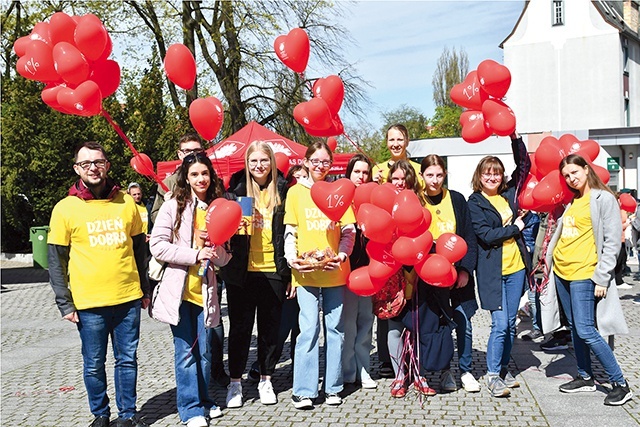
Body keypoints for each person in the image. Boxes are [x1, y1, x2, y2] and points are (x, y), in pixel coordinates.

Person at [47, 141, 150, 427]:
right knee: (94, 364)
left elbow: (140, 250)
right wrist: (64, 302)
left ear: (108, 165)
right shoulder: (65, 208)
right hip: (88, 303)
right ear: (77, 169)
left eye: (98, 162)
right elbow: (56, 261)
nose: (93, 167)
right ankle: (101, 415)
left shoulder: (127, 202)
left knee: (127, 360)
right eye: (86, 163)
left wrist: (145, 289)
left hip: (128, 298)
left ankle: (127, 416)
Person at [149, 152, 232, 427]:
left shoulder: (218, 207)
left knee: (205, 351)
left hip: (205, 291)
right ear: (186, 177)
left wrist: (215, 248)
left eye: (204, 173)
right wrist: (194, 254)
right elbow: (157, 245)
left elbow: (224, 258)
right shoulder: (173, 206)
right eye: (194, 174)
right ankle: (190, 409)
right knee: (185, 352)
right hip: (179, 291)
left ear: (211, 175)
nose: (200, 179)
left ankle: (205, 400)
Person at [547, 154, 632, 406]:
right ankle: (585, 376)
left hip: (585, 273)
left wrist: (603, 277)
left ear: (586, 169)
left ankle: (620, 383)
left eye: (574, 172)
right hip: (563, 272)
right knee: (574, 327)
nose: (571, 178)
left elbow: (612, 241)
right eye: (566, 176)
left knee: (586, 329)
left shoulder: (603, 198)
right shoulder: (573, 201)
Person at [284, 141, 356, 409]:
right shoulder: (295, 193)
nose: (320, 166)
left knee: (335, 330)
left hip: (334, 272)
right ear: (306, 162)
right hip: (306, 274)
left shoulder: (340, 190)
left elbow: (349, 230)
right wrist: (293, 261)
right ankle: (304, 390)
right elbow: (291, 232)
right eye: (315, 161)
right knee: (308, 330)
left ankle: (333, 388)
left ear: (331, 164)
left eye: (325, 162)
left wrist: (342, 254)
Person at [219, 141, 290, 407]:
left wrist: (291, 273)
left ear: (271, 162)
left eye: (263, 160)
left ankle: (266, 379)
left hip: (273, 270)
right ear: (246, 165)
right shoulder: (235, 192)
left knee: (270, 331)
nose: (259, 166)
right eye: (253, 161)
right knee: (239, 330)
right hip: (241, 272)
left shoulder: (284, 190)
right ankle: (235, 383)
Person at [467, 131, 530, 398]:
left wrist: (515, 138)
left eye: (497, 173)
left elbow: (525, 166)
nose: (492, 177)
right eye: (487, 173)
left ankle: (503, 370)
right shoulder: (475, 202)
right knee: (500, 324)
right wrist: (515, 228)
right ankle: (492, 376)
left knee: (512, 323)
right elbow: (485, 235)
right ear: (479, 176)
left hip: (516, 269)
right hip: (493, 272)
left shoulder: (508, 194)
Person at [420, 154, 480, 393]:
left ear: (445, 175)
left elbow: (469, 237)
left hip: (458, 278)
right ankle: (444, 372)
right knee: (439, 326)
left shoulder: (456, 199)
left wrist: (465, 269)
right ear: (422, 176)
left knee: (463, 322)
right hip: (429, 278)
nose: (434, 180)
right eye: (429, 175)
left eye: (439, 175)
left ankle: (465, 370)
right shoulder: (417, 200)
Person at [247, 165, 307, 382]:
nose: (300, 180)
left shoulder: (310, 202)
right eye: (296, 177)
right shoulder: (283, 203)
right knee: (282, 325)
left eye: (304, 177)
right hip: (284, 273)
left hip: (306, 275)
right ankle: (262, 365)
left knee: (302, 327)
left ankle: (298, 367)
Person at [385, 160, 436, 398]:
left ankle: (420, 374)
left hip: (418, 267)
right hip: (391, 270)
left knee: (418, 324)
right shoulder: (383, 202)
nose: (399, 182)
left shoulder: (420, 201)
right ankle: (399, 376)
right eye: (395, 178)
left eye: (404, 178)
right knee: (395, 324)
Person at [342, 154, 377, 389]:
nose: (361, 177)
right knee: (346, 325)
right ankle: (347, 371)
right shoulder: (341, 200)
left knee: (365, 323)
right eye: (357, 172)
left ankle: (364, 369)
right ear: (349, 173)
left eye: (365, 173)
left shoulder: (373, 201)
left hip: (369, 271)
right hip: (344, 272)